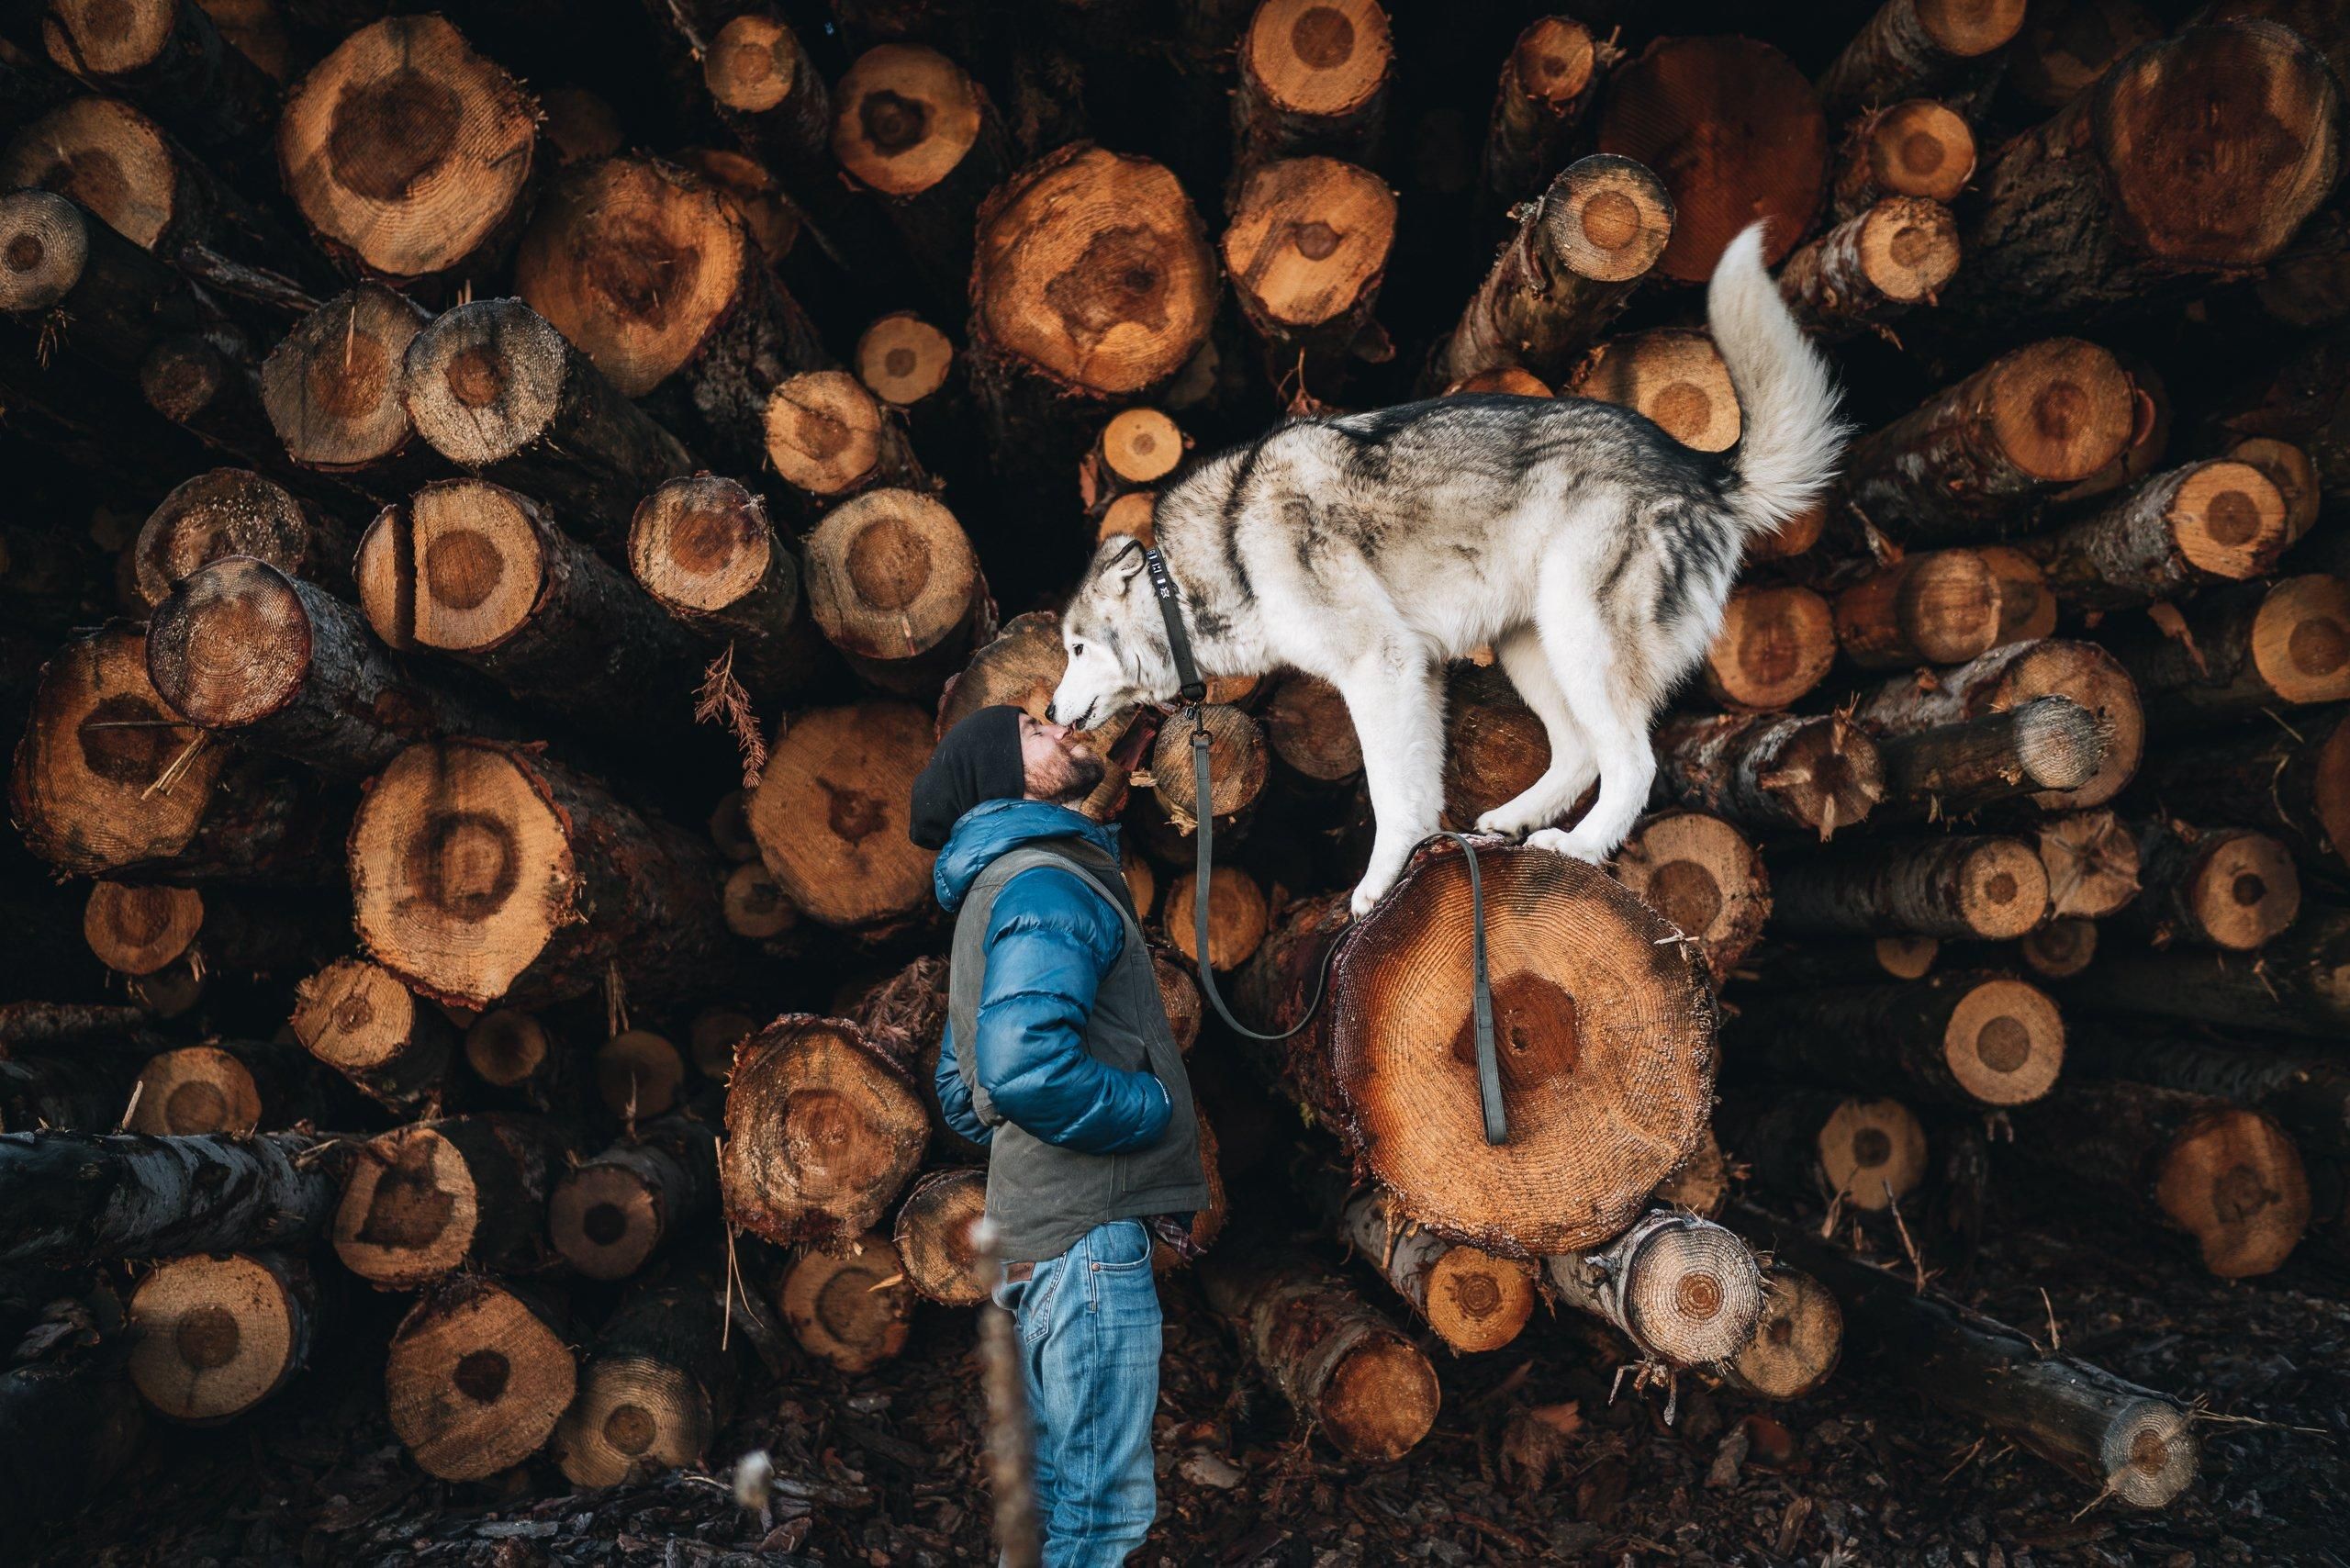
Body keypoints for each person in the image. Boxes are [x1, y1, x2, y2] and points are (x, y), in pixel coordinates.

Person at [910, 704, 1209, 1568]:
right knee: (1097, 1520)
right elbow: (1016, 1069)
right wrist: (1149, 1110)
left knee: (1055, 1516)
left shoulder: (999, 889)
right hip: (1082, 1244)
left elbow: (962, 1095)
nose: (1066, 728)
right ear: (1003, 778)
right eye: (1035, 731)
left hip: (1041, 1241)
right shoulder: (1045, 882)